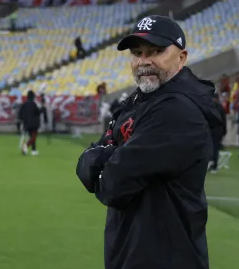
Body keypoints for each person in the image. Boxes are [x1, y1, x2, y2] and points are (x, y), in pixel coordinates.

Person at [75, 15, 222, 269]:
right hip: (130, 251)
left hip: (165, 257)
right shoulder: (138, 100)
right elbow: (92, 158)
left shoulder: (178, 110)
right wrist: (105, 158)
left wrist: (105, 160)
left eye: (157, 51)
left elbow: (113, 183)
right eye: (137, 53)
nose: (145, 62)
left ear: (182, 57)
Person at [19, 90, 42, 156]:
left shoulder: (24, 104)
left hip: (26, 124)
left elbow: (20, 114)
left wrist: (23, 121)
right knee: (33, 137)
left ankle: (34, 150)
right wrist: (42, 108)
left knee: (31, 136)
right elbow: (38, 112)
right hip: (34, 124)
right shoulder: (34, 104)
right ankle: (25, 146)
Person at [209, 93, 227, 173]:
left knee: (213, 149)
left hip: (212, 131)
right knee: (215, 149)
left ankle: (213, 166)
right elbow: (224, 121)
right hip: (218, 131)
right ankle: (213, 166)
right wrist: (224, 131)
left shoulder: (210, 107)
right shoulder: (221, 108)